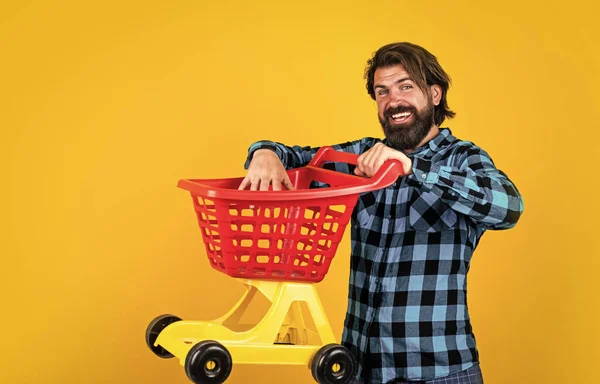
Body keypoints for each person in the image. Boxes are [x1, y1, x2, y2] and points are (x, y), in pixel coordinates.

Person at [239, 42, 523, 384]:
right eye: (382, 91)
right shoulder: (362, 157)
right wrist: (264, 151)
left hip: (439, 372)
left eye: (406, 86)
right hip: (359, 370)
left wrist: (413, 168)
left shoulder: (462, 159)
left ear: (434, 94)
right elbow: (298, 160)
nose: (394, 101)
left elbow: (508, 207)